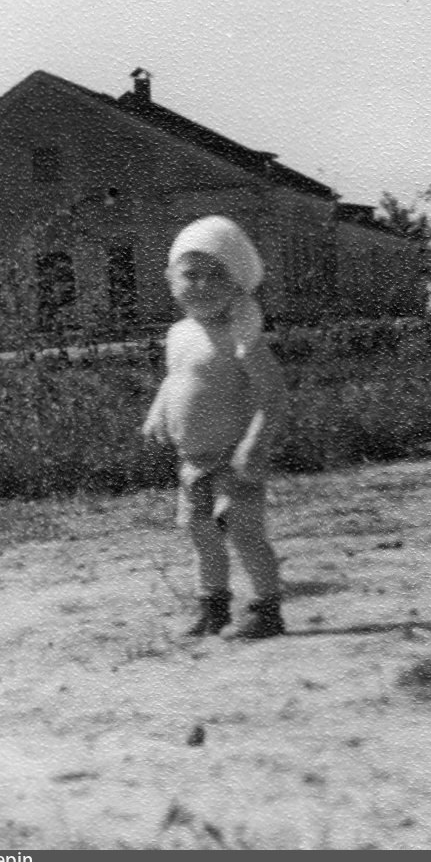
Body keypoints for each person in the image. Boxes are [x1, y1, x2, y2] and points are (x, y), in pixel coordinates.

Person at [142, 215, 288, 640]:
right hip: (193, 461)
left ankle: (267, 610)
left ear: (238, 283)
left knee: (245, 534)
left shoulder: (241, 336)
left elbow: (273, 393)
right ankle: (213, 608)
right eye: (191, 274)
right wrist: (157, 411)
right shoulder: (178, 334)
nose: (202, 284)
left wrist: (255, 443)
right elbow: (176, 378)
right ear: (170, 279)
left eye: (218, 275)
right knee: (201, 535)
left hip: (234, 460)